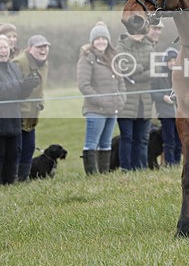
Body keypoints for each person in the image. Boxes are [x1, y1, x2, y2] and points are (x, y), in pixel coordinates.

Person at [0, 34, 38, 185]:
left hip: (12, 118)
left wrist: (28, 87)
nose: (4, 51)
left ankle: (10, 186)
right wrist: (20, 85)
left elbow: (18, 94)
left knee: (13, 154)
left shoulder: (13, 67)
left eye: (6, 47)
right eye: (0, 48)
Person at [77, 22, 126, 175]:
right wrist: (102, 101)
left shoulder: (112, 57)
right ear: (92, 41)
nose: (101, 42)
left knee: (106, 144)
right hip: (95, 110)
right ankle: (92, 175)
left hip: (113, 109)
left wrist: (122, 99)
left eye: (103, 38)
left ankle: (103, 174)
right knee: (91, 143)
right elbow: (83, 85)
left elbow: (121, 82)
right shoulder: (87, 58)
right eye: (97, 39)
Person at [116, 21, 160, 171]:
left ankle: (140, 168)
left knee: (142, 138)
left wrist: (135, 74)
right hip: (127, 100)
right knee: (127, 137)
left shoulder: (149, 46)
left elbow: (155, 69)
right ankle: (126, 168)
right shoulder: (122, 45)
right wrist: (141, 67)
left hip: (144, 100)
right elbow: (121, 67)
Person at [13, 34, 50, 181]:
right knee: (17, 149)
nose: (43, 50)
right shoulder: (19, 62)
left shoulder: (44, 64)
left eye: (45, 46)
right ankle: (13, 179)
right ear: (29, 49)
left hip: (33, 113)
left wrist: (41, 102)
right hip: (18, 113)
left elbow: (40, 88)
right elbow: (14, 89)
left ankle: (24, 178)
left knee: (29, 147)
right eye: (39, 47)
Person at [152, 47, 181, 166]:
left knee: (179, 141)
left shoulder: (181, 76)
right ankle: (169, 163)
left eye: (175, 60)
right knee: (169, 141)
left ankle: (177, 162)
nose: (172, 63)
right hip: (166, 113)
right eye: (170, 60)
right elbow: (153, 92)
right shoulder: (159, 76)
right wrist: (163, 97)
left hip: (179, 113)